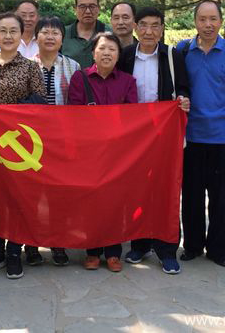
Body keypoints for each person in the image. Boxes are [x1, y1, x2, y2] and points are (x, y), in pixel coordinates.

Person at [117, 7, 190, 275]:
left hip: (164, 136)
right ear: (136, 27)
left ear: (162, 28)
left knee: (166, 190)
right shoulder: (125, 56)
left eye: (155, 25)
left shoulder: (172, 55)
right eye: (144, 25)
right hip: (134, 137)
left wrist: (183, 100)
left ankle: (167, 248)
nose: (149, 31)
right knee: (137, 190)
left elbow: (184, 87)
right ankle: (140, 244)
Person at [0, 12, 46, 279]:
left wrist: (9, 113)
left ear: (21, 35)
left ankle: (15, 252)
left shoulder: (30, 67)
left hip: (21, 146)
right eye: (3, 31)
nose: (7, 36)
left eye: (13, 31)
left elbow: (40, 101)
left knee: (18, 198)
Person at [176, 0, 225, 269]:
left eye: (213, 19)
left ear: (220, 21)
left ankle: (217, 249)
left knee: (218, 195)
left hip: (221, 134)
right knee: (191, 194)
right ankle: (192, 245)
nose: (208, 24)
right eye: (202, 19)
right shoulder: (183, 50)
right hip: (191, 133)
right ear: (195, 22)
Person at [68, 33, 138, 272]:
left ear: (118, 55)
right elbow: (74, 114)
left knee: (116, 201)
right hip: (88, 151)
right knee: (92, 200)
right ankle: (92, 250)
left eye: (112, 49)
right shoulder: (80, 78)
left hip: (118, 152)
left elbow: (132, 117)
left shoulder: (128, 81)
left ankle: (114, 252)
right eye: (102, 48)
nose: (107, 53)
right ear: (93, 53)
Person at [31, 15, 80, 266]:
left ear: (62, 39)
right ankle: (30, 244)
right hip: (32, 142)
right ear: (36, 36)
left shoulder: (73, 67)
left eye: (55, 33)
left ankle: (58, 242)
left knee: (58, 195)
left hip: (62, 141)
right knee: (31, 194)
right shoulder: (26, 65)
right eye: (45, 32)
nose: (50, 37)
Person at [61, 0, 111, 68]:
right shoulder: (63, 33)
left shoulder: (109, 33)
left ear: (98, 9)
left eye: (92, 6)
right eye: (82, 7)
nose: (88, 11)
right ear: (75, 9)